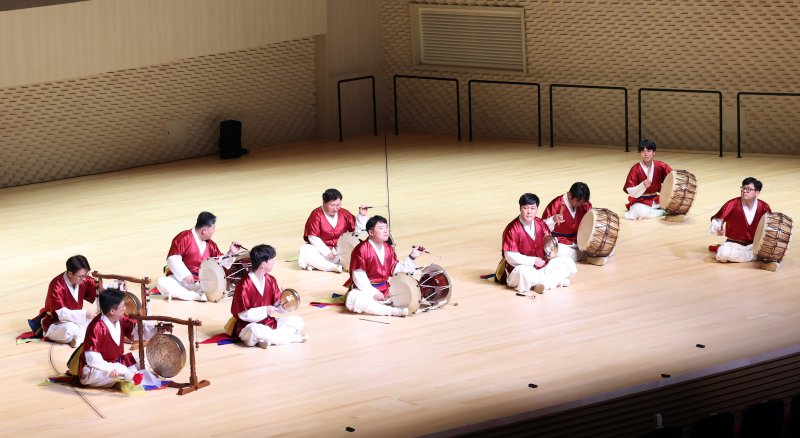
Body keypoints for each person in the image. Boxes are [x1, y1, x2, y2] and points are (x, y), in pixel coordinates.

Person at [228, 244, 307, 348]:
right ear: (263, 264)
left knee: (298, 322)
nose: (274, 262)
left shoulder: (271, 280)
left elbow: (277, 307)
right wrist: (265, 310)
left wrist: (284, 303)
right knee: (255, 331)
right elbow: (243, 315)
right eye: (272, 260)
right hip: (247, 326)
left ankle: (266, 340)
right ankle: (292, 338)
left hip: (268, 323)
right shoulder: (244, 285)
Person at [77, 288, 157, 389]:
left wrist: (156, 329)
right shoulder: (96, 327)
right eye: (122, 306)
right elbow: (92, 360)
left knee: (146, 360)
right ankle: (128, 376)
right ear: (112, 311)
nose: (125, 309)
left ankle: (125, 376)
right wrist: (109, 369)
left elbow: (138, 328)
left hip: (116, 363)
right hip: (96, 369)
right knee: (118, 369)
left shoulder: (120, 319)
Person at [345, 215, 423, 317]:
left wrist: (412, 257)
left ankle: (386, 306)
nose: (386, 231)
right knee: (355, 298)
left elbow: (395, 270)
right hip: (366, 291)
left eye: (386, 227)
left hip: (386, 290)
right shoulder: (361, 249)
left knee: (412, 287)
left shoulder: (388, 248)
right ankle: (392, 311)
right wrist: (374, 293)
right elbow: (358, 277)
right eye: (381, 228)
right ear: (371, 232)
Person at [499, 193, 577, 294]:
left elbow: (548, 237)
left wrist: (550, 251)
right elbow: (509, 256)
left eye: (532, 208)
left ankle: (542, 284)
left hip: (542, 266)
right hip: (521, 268)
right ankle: (553, 282)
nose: (529, 212)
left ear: (536, 209)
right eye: (525, 208)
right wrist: (533, 261)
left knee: (568, 262)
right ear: (520, 208)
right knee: (524, 274)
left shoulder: (539, 222)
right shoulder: (512, 229)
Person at [156, 211, 241, 301]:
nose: (214, 231)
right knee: (161, 282)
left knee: (214, 285)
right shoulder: (184, 238)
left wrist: (231, 253)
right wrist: (185, 274)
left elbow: (220, 263)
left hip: (203, 284)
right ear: (204, 230)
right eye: (213, 228)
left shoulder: (211, 245)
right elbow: (172, 258)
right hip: (182, 281)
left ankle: (195, 295)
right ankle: (196, 296)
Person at [30, 255, 99, 347]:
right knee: (70, 329)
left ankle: (79, 338)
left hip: (76, 320)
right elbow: (61, 314)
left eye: (86, 275)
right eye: (82, 276)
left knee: (96, 321)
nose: (85, 279)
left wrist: (118, 287)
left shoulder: (83, 279)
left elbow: (99, 288)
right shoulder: (56, 286)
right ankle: (82, 337)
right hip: (56, 323)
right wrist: (84, 314)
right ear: (70, 274)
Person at [710, 177, 775, 270]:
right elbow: (717, 219)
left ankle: (753, 255)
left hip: (755, 244)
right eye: (743, 188)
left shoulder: (763, 206)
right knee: (723, 254)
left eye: (748, 189)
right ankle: (756, 258)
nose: (744, 191)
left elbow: (770, 225)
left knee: (770, 249)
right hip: (734, 243)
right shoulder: (732, 204)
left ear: (757, 192)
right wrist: (718, 228)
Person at [298, 188, 368, 273]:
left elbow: (358, 231)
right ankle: (333, 267)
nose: (335, 208)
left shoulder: (344, 213)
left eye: (338, 205)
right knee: (305, 249)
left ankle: (318, 266)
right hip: (322, 252)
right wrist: (327, 252)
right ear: (324, 203)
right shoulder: (316, 215)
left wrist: (361, 216)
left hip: (340, 251)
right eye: (332, 205)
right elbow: (312, 237)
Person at [541, 182, 593, 262]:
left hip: (580, 240)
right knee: (555, 251)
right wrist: (553, 219)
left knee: (599, 244)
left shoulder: (584, 204)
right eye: (578, 201)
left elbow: (592, 219)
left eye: (582, 202)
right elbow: (542, 227)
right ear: (569, 194)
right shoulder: (556, 204)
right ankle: (588, 255)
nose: (580, 204)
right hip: (561, 243)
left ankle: (587, 254)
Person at [623, 139, 673, 220]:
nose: (646, 154)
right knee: (638, 210)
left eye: (649, 151)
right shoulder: (635, 169)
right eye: (643, 151)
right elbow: (630, 191)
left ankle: (656, 210)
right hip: (640, 201)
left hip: (656, 199)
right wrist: (642, 185)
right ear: (640, 153)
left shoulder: (661, 166)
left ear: (654, 152)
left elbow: (673, 178)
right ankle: (662, 212)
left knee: (673, 202)